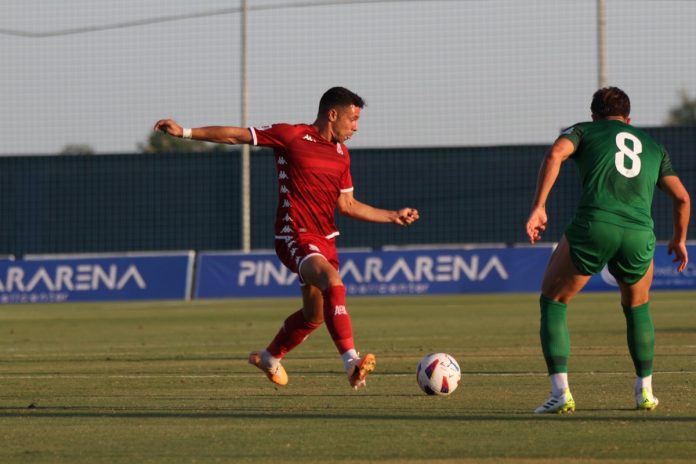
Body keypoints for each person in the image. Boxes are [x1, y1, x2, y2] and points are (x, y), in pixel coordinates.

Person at [154, 87, 419, 389]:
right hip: (295, 235)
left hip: (325, 240)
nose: (356, 126)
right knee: (333, 281)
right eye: (353, 119)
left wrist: (393, 216)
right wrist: (185, 131)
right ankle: (351, 362)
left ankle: (269, 358)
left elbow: (347, 205)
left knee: (314, 316)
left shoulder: (341, 155)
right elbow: (235, 136)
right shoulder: (291, 136)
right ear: (332, 114)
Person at [525, 87, 690, 413]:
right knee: (637, 308)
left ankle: (561, 393)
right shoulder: (654, 147)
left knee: (554, 302)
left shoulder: (584, 131)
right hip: (639, 234)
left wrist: (539, 206)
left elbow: (554, 154)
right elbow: (683, 198)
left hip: (595, 226)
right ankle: (645, 392)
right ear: (628, 119)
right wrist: (679, 239)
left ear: (594, 115)